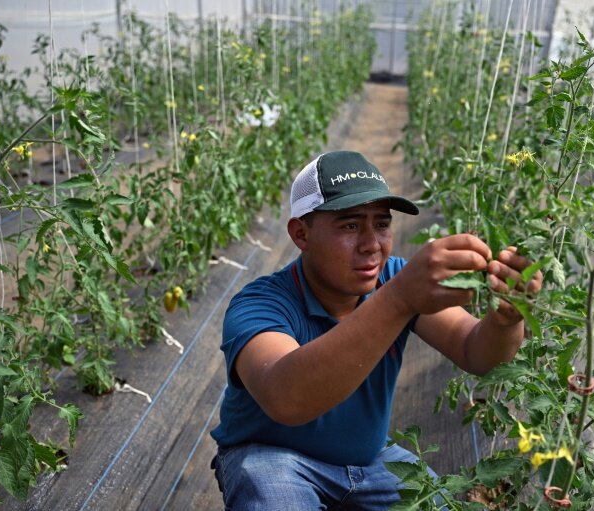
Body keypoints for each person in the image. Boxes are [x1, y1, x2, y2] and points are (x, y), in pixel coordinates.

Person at [210, 150, 543, 510]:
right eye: (350, 226)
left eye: (381, 225)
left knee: (439, 504)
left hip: (371, 462)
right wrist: (400, 298)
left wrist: (506, 318)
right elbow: (286, 399)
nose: (372, 244)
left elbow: (477, 352)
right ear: (301, 234)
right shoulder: (261, 304)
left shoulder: (394, 279)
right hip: (275, 459)